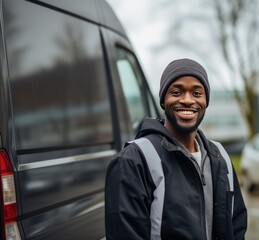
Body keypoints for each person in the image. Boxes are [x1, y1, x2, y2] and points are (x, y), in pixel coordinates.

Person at [105, 58, 247, 240]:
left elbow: (236, 227)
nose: (188, 100)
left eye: (197, 93)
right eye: (177, 92)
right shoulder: (133, 161)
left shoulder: (220, 158)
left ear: (205, 102)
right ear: (163, 101)